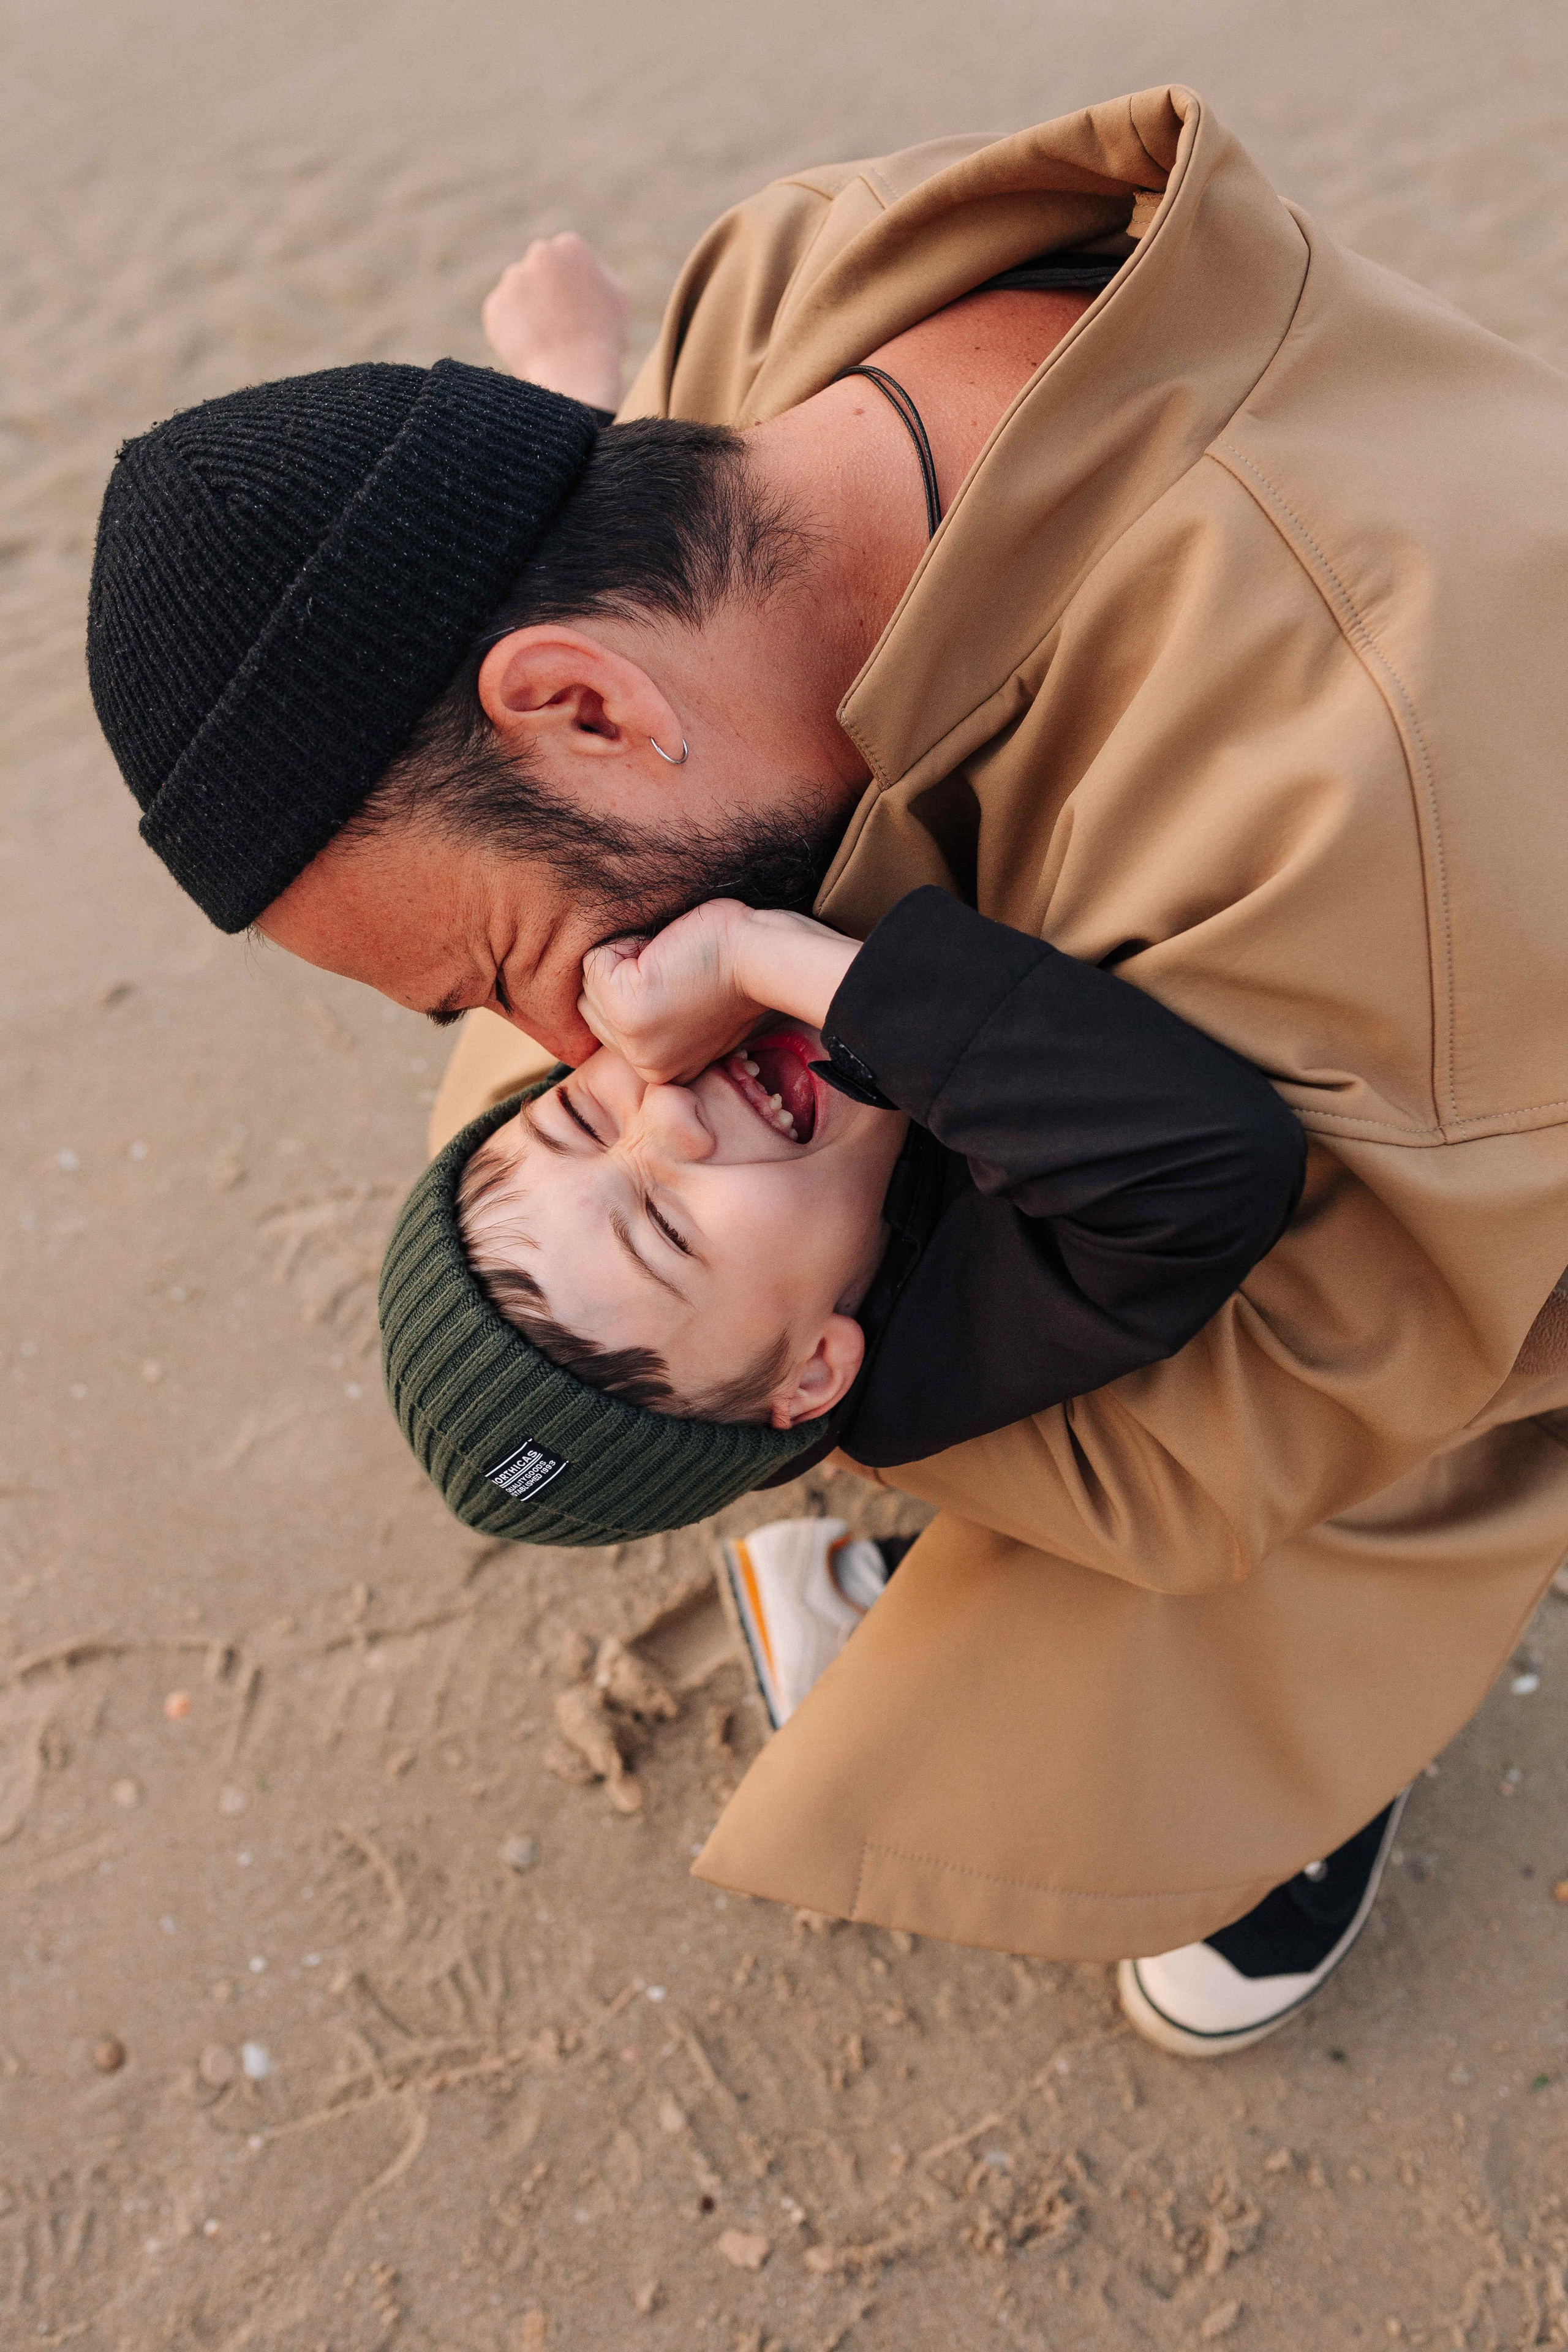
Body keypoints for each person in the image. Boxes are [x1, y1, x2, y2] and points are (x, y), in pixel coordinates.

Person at [85, 87, 1568, 2059]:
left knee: (1197, 1520)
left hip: (1455, 1070)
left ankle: (1271, 1779)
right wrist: (566, 402)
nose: (595, 1048)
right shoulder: (793, 287)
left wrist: (890, 1418)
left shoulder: (1352, 784)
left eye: (508, 976)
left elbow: (1318, 1353)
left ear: (584, 700)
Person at [379, 884, 1303, 1719]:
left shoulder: (644, 1030)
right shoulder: (970, 1332)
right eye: (667, 1233)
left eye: (578, 1119)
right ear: (815, 1366)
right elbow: (1214, 1167)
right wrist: (757, 954)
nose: (665, 1115)